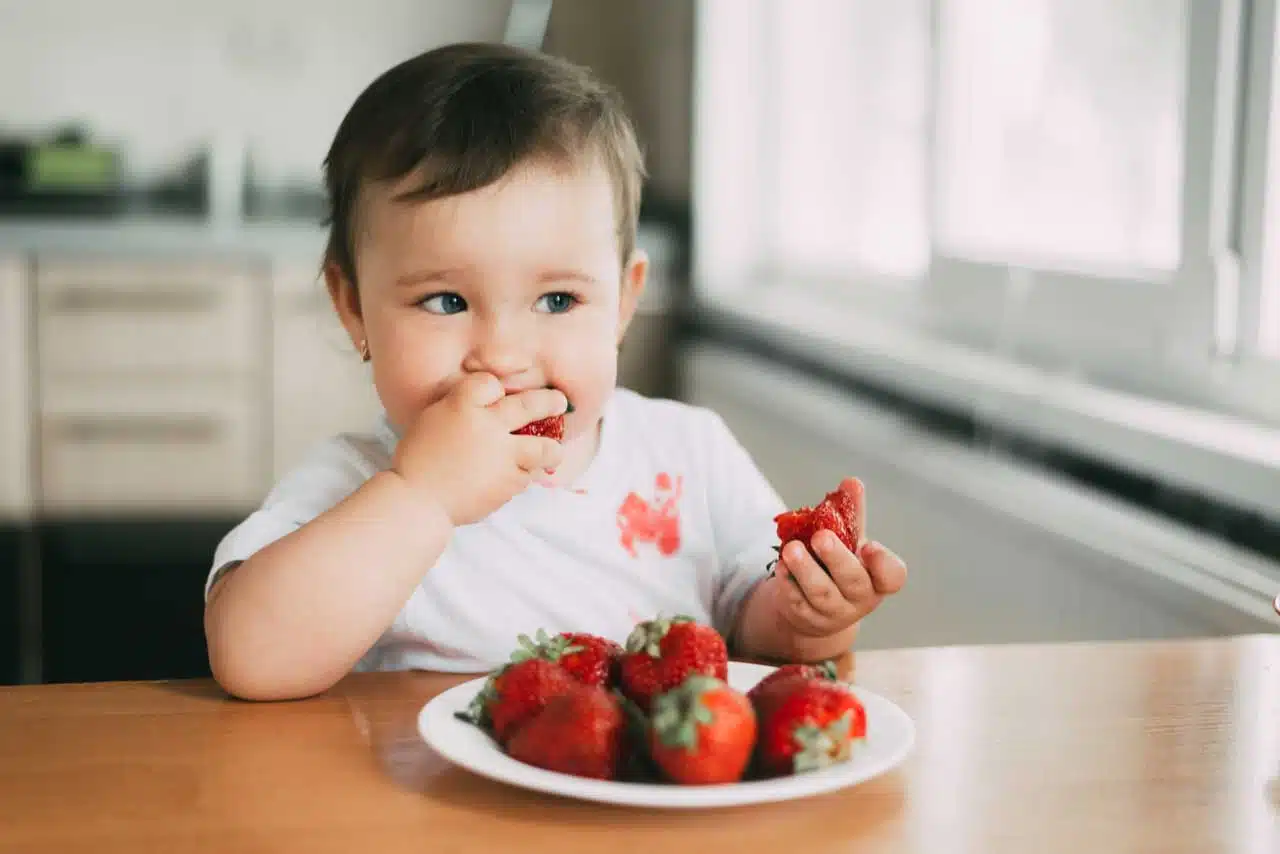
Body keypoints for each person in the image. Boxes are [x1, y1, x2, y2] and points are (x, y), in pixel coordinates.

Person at [203, 42, 907, 702]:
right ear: (353, 308)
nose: (504, 354)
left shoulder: (689, 453)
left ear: (625, 301)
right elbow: (252, 659)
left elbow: (760, 632)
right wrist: (421, 496)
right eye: (446, 301)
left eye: (558, 300)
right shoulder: (357, 483)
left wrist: (809, 616)